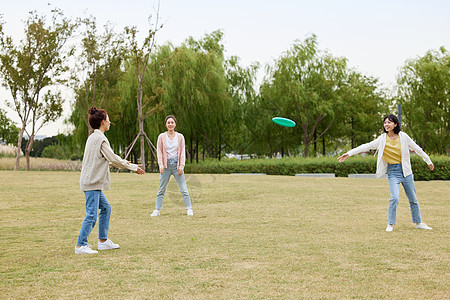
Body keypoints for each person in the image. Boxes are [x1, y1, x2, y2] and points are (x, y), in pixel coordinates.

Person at [337, 114, 434, 232]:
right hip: (393, 172)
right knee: (394, 198)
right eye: (385, 122)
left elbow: (418, 149)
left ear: (395, 124)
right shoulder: (382, 138)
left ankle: (419, 223)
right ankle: (390, 224)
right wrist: (349, 153)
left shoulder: (403, 137)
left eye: (389, 122)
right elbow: (366, 146)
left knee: (413, 199)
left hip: (406, 172)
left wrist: (428, 161)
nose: (386, 125)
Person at [76, 107, 145, 254]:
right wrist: (132, 167)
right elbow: (113, 158)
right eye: (108, 119)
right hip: (92, 182)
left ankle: (103, 241)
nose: (110, 122)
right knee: (92, 215)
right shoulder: (100, 138)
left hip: (91, 181)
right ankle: (81, 245)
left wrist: (129, 166)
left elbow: (108, 159)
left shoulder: (93, 138)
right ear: (102, 122)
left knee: (106, 208)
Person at [151, 115, 193, 217]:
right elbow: (159, 152)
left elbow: (182, 152)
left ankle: (189, 209)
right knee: (161, 189)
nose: (170, 124)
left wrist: (181, 166)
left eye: (172, 122)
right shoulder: (161, 137)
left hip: (176, 166)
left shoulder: (180, 137)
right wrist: (160, 165)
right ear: (166, 124)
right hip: (165, 166)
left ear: (175, 124)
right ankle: (157, 210)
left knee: (183, 188)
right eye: (168, 122)